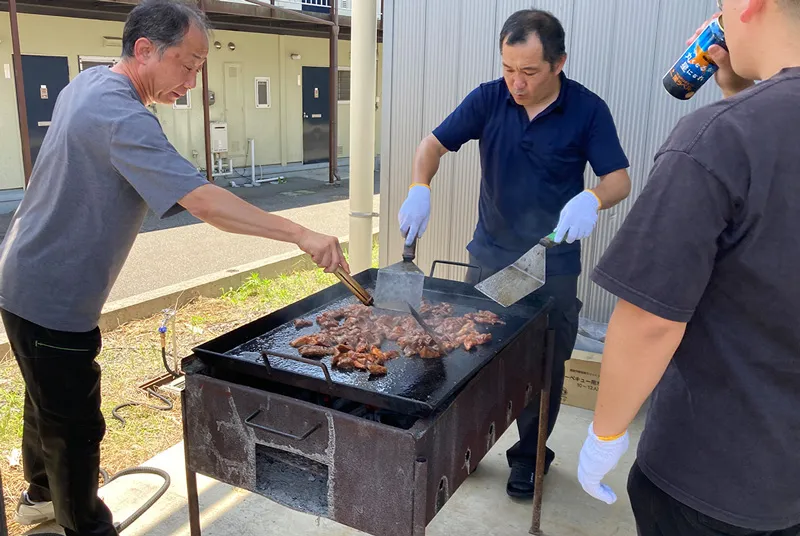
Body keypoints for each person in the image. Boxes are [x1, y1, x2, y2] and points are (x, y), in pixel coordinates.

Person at [2, 1, 349, 534]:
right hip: (53, 293)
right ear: (145, 50)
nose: (192, 81)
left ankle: (40, 497)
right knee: (73, 426)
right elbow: (204, 203)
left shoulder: (88, 86)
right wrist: (301, 232)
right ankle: (84, 526)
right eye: (187, 65)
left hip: (24, 276)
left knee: (45, 399)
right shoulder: (120, 113)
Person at [577, 0, 800, 534]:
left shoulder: (719, 137)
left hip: (714, 478)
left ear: (749, 5)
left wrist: (604, 433)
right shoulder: (739, 127)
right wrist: (740, 96)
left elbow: (651, 318)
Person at [397, 8, 631, 499]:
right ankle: (473, 443)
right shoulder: (489, 99)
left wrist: (593, 198)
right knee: (474, 358)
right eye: (508, 69)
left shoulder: (588, 110)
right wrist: (420, 185)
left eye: (528, 72)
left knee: (544, 367)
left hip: (552, 266)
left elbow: (618, 180)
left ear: (559, 63)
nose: (516, 84)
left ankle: (529, 457)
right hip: (491, 258)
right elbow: (432, 145)